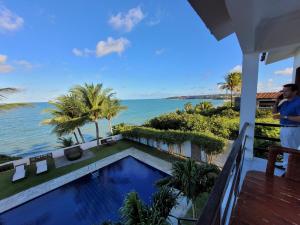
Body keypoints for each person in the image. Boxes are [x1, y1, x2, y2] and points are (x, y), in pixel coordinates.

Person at [273, 83, 300, 168]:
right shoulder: (285, 102)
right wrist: (277, 101)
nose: (283, 93)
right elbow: (274, 112)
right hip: (284, 128)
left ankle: (290, 169)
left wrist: (284, 116)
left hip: (293, 129)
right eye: (283, 91)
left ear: (295, 92)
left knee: (292, 149)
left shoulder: (298, 102)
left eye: (286, 91)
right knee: (285, 147)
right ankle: (285, 165)